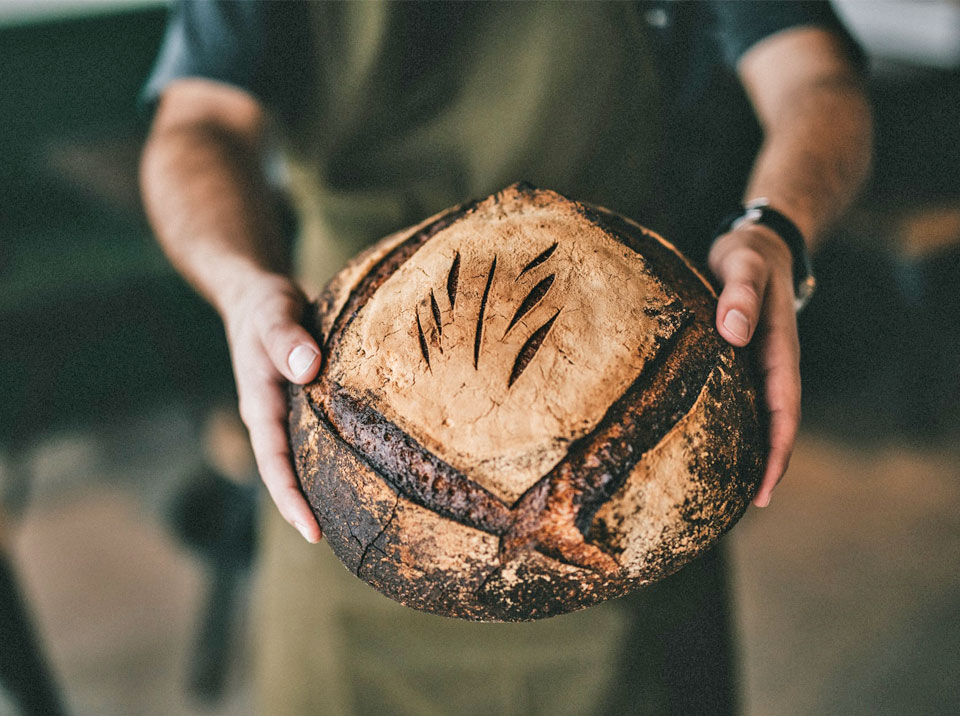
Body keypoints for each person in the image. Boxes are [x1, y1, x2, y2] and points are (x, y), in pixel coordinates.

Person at [139, 2, 872, 714]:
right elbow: (196, 125)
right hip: (351, 458)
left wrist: (773, 229)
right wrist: (242, 287)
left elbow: (816, 81)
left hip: (628, 431)